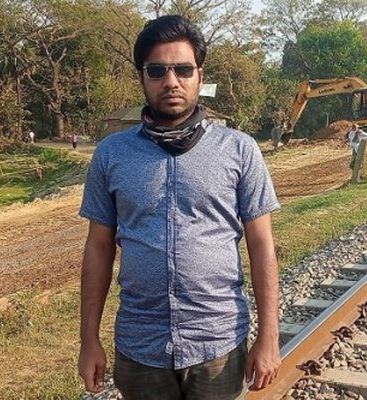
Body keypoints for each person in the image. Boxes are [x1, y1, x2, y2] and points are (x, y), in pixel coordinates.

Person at [77, 15, 281, 400]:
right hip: (140, 346)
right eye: (157, 71)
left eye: (183, 70)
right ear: (142, 78)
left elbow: (262, 246)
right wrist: (89, 340)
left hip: (217, 342)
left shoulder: (239, 150)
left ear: (200, 76)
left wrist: (268, 337)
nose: (171, 81)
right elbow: (98, 248)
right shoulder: (111, 155)